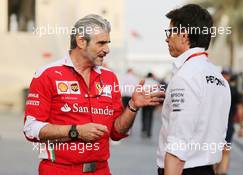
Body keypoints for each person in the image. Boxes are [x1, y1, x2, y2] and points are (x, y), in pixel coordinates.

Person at [23, 14, 164, 175]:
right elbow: (30, 129)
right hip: (59, 170)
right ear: (81, 41)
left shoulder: (109, 77)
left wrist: (132, 106)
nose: (107, 50)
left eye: (108, 43)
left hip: (100, 170)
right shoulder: (47, 74)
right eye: (101, 43)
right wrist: (75, 131)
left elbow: (117, 132)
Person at [156, 4, 231, 175]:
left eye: (170, 32)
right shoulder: (220, 78)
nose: (167, 39)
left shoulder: (185, 77)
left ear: (183, 36)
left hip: (184, 170)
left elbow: (178, 145)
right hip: (208, 168)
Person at [215, 70, 243, 175]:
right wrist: (241, 126)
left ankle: (220, 171)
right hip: (225, 125)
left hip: (218, 126)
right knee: (225, 151)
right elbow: (240, 108)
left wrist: (241, 126)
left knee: (217, 151)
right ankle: (221, 171)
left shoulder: (214, 88)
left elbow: (240, 108)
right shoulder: (233, 90)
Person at [141, 72, 159, 138]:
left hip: (144, 99)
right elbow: (157, 91)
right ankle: (149, 132)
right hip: (152, 99)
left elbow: (141, 90)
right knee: (150, 116)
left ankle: (144, 128)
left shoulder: (144, 81)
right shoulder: (155, 82)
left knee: (144, 114)